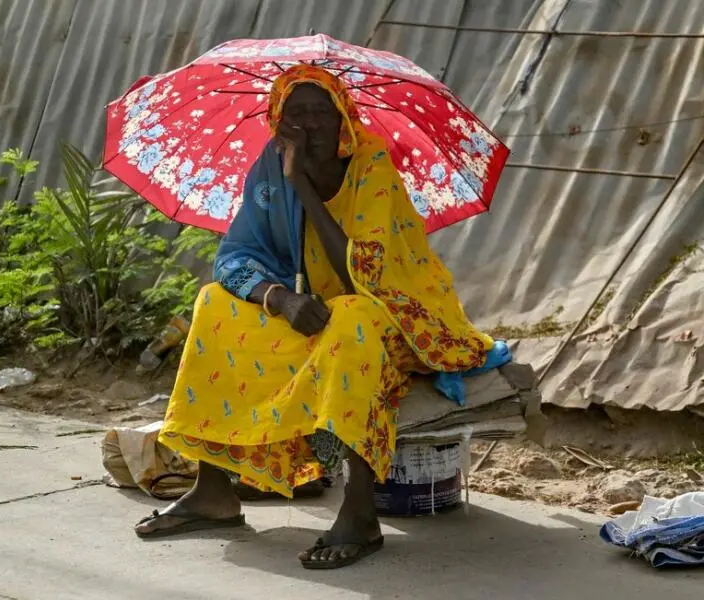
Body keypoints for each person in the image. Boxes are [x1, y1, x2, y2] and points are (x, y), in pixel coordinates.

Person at [134, 64, 494, 569]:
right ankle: (213, 491)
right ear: (279, 121)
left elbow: (360, 277)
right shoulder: (270, 163)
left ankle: (360, 512)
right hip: (306, 309)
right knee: (214, 302)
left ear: (342, 114)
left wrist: (302, 183)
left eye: (320, 111)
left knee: (350, 319)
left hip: (389, 308)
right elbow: (235, 256)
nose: (309, 124)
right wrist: (279, 298)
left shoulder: (371, 165)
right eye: (295, 112)